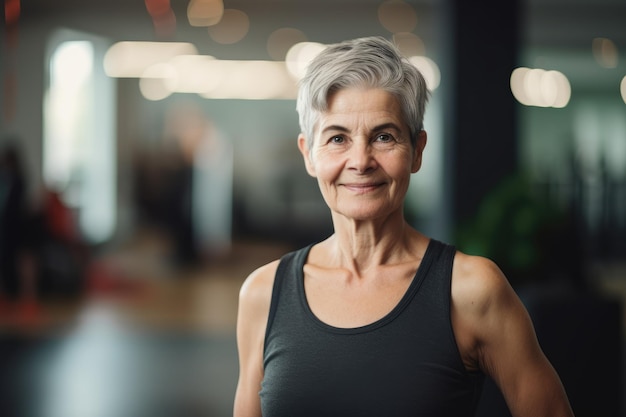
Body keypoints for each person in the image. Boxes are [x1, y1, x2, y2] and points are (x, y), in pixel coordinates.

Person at [234, 37, 574, 417]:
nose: (360, 161)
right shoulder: (263, 294)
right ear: (309, 155)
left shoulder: (470, 290)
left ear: (417, 151)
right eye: (337, 138)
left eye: (384, 136)